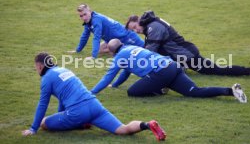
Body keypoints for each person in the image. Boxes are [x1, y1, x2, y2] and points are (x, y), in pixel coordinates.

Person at [22, 52, 166, 141]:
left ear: (40, 66)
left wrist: (33, 128)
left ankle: (81, 123)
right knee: (123, 129)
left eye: (36, 67)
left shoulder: (46, 78)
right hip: (95, 106)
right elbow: (63, 98)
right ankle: (148, 125)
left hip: (77, 112)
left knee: (44, 123)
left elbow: (43, 104)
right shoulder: (63, 70)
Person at [91, 39, 247, 103]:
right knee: (194, 91)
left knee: (132, 92)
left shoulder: (119, 58)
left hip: (161, 73)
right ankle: (230, 91)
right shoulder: (133, 47)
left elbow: (107, 77)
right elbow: (125, 72)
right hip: (173, 66)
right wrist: (116, 85)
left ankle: (161, 89)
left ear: (112, 52)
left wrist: (92, 92)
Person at [125, 11, 250, 77]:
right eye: (133, 30)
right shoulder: (151, 24)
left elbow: (151, 52)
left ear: (139, 21)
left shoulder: (153, 28)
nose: (136, 31)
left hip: (186, 55)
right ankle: (180, 69)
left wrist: (134, 61)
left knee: (216, 70)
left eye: (135, 27)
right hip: (181, 55)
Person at [68, 4, 144, 59]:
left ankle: (121, 48)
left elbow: (96, 38)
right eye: (81, 16)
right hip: (112, 39)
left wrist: (93, 56)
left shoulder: (96, 20)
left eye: (85, 14)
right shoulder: (88, 22)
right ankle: (117, 49)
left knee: (145, 48)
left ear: (90, 12)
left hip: (126, 37)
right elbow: (84, 36)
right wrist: (77, 50)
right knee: (100, 50)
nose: (84, 18)